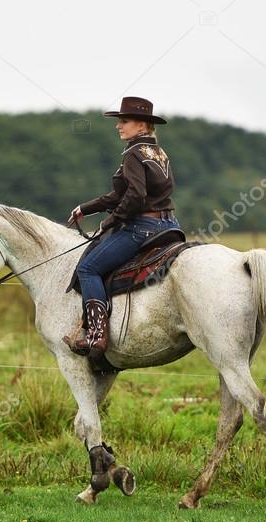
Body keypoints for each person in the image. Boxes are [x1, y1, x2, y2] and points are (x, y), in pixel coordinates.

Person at [64, 96, 180, 357]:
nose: (119, 126)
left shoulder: (133, 154)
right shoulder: (159, 153)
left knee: (88, 268)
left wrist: (111, 220)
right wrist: (86, 208)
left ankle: (96, 336)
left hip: (142, 228)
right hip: (169, 224)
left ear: (141, 126)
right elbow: (122, 194)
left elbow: (135, 196)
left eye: (124, 121)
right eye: (119, 121)